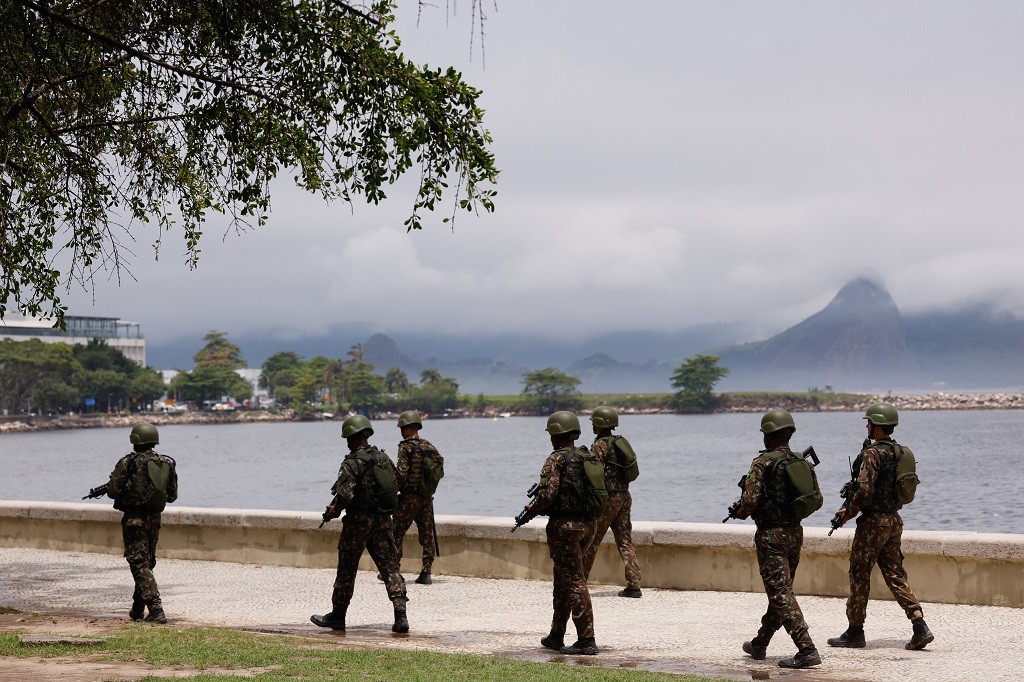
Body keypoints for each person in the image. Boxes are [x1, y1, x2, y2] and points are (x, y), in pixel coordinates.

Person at [828, 402, 934, 651]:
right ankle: (920, 625)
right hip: (894, 521)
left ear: (877, 426)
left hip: (873, 522)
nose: (866, 426)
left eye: (869, 422)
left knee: (859, 573)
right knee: (895, 573)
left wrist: (848, 513)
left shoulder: (872, 454)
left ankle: (855, 632)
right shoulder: (899, 452)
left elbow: (864, 491)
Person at [732, 409, 821, 669]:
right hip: (795, 533)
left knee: (781, 593)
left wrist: (740, 511)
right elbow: (817, 498)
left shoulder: (762, 463)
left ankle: (807, 648)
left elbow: (749, 502)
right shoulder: (800, 461)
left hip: (771, 535)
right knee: (781, 591)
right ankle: (760, 643)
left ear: (768, 435)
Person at [311, 415, 409, 633]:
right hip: (383, 520)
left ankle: (338, 616)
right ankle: (401, 615)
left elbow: (345, 496)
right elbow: (398, 482)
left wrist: (334, 510)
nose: (347, 442)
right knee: (390, 567)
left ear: (354, 437)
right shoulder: (382, 457)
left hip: (358, 523)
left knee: (347, 569)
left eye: (348, 438)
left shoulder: (351, 462)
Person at [519, 411, 599, 656]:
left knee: (573, 580)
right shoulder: (587, 456)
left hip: (565, 529)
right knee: (563, 580)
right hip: (588, 525)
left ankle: (587, 639)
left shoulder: (555, 459)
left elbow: (548, 495)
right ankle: (556, 635)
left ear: (556, 435)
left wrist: (532, 510)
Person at [105, 422, 178, 624]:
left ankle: (156, 609)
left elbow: (112, 490)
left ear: (135, 440)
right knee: (146, 564)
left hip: (134, 520)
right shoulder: (165, 463)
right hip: (154, 519)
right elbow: (172, 496)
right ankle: (137, 609)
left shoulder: (128, 462)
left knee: (139, 564)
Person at [581, 406, 641, 597]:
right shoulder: (619, 443)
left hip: (608, 499)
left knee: (592, 540)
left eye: (595, 423)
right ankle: (634, 584)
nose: (593, 426)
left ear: (601, 424)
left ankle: (579, 583)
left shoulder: (600, 445)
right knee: (625, 541)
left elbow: (593, 472)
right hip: (624, 496)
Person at [391, 410, 443, 584]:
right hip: (426, 497)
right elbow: (439, 471)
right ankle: (426, 573)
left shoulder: (405, 447)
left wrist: (391, 490)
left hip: (409, 498)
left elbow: (402, 475)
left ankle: (395, 571)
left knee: (395, 532)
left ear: (407, 428)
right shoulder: (429, 446)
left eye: (402, 428)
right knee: (427, 534)